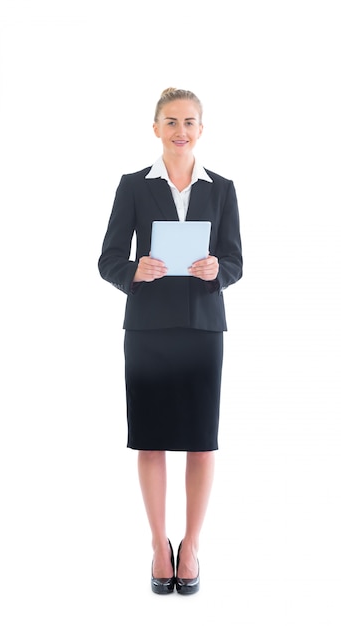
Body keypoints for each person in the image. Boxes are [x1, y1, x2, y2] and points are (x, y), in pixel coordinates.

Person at [98, 87, 243, 594]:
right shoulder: (133, 186)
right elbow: (108, 258)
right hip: (148, 330)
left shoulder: (221, 189)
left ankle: (193, 545)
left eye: (189, 122)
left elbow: (237, 262)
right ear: (156, 128)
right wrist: (134, 270)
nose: (181, 131)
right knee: (153, 438)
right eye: (171, 121)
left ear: (201, 130)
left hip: (203, 328)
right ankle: (160, 545)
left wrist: (217, 270)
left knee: (202, 443)